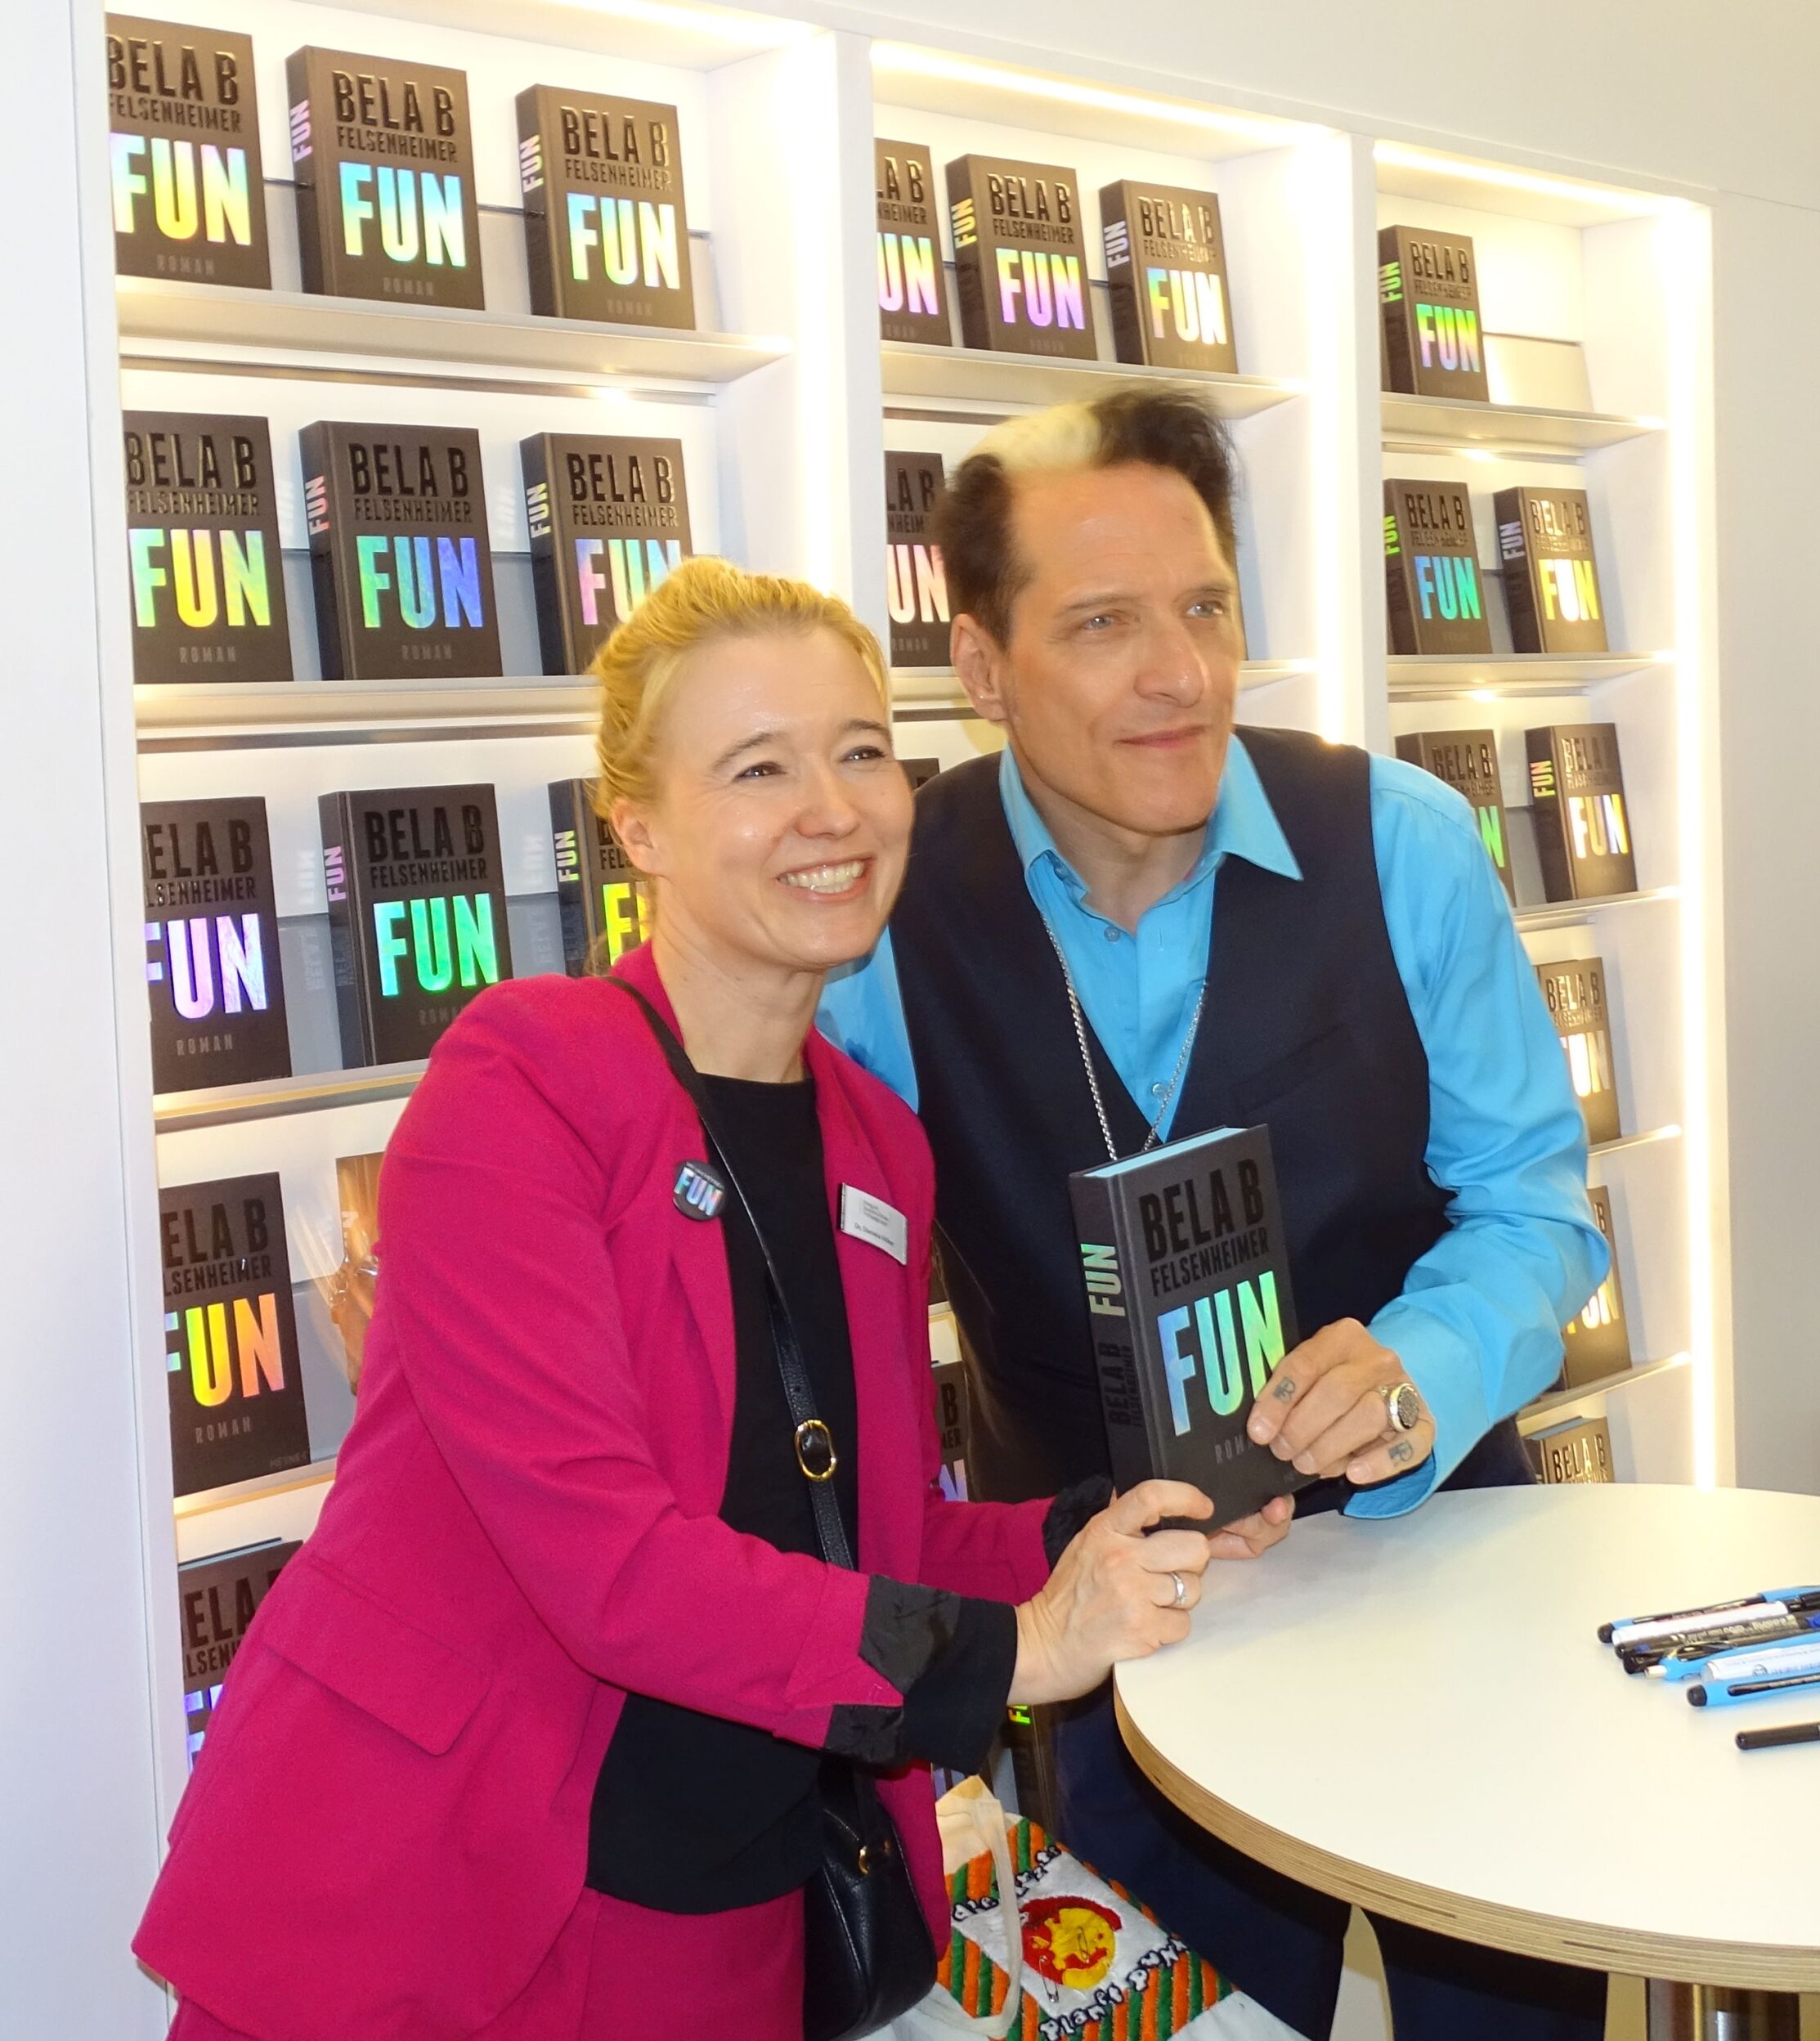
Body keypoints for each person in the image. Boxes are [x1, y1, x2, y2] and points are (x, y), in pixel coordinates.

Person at [133, 559, 1217, 2041]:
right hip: (440, 1896)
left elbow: (875, 1533)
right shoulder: (523, 1080)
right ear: (636, 826)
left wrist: (1120, 1528)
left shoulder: (876, 1142)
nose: (832, 809)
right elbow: (611, 1560)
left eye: (860, 752)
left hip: (733, 1909)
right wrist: (1022, 1650)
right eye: (759, 767)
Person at [820, 389, 1609, 2041]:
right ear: (980, 667)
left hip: (1441, 1577)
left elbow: (1533, 1205)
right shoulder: (887, 913)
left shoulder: (1398, 842)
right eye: (1102, 624)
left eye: (1203, 607)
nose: (1177, 671)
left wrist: (1421, 1367)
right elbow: (820, 1270)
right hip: (1116, 1649)